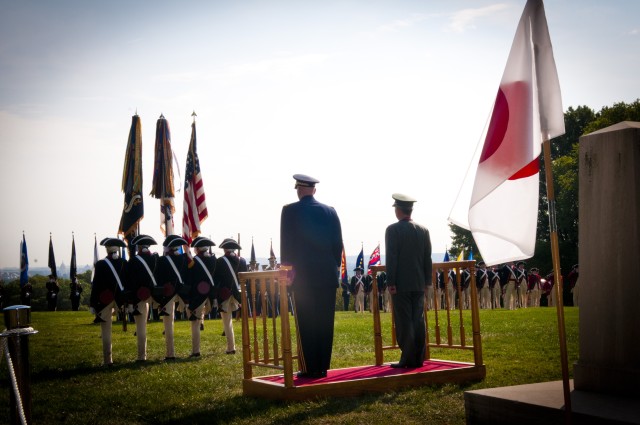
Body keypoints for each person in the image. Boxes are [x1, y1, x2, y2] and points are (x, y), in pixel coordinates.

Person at [281, 174, 343, 378]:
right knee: (325, 323)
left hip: (303, 278)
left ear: (298, 189)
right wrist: (332, 269)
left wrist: (287, 275)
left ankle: (309, 367)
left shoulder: (289, 211)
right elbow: (337, 247)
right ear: (314, 190)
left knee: (306, 322)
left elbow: (286, 248)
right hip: (326, 276)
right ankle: (323, 366)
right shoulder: (330, 211)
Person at [385, 193, 432, 369]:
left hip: (401, 284)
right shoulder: (423, 230)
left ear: (398, 210)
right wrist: (427, 282)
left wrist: (391, 282)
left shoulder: (393, 230)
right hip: (419, 283)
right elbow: (427, 258)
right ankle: (418, 358)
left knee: (404, 322)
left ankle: (407, 358)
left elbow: (392, 257)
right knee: (418, 321)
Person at [90, 237, 127, 366]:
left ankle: (108, 360)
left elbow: (96, 285)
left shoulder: (101, 264)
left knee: (106, 331)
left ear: (107, 250)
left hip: (105, 300)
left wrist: (93, 303)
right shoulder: (123, 262)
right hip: (120, 300)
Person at [154, 234, 189, 361]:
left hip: (168, 293)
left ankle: (170, 353)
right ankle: (196, 351)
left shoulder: (163, 260)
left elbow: (158, 277)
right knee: (194, 322)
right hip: (183, 293)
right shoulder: (185, 258)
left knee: (168, 325)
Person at [126, 234, 159, 362]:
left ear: (139, 247)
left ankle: (142, 356)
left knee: (140, 326)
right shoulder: (155, 258)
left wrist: (131, 300)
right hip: (154, 293)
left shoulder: (134, 260)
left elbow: (131, 281)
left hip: (139, 295)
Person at [213, 238, 246, 354]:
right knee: (238, 322)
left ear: (225, 249)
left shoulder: (220, 261)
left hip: (224, 294)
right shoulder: (242, 261)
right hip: (238, 294)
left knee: (227, 322)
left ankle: (231, 347)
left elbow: (216, 279)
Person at [186, 236, 216, 357]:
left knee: (195, 324)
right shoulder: (214, 259)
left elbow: (191, 280)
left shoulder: (194, 261)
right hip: (210, 294)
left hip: (198, 295)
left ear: (198, 249)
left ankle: (196, 350)